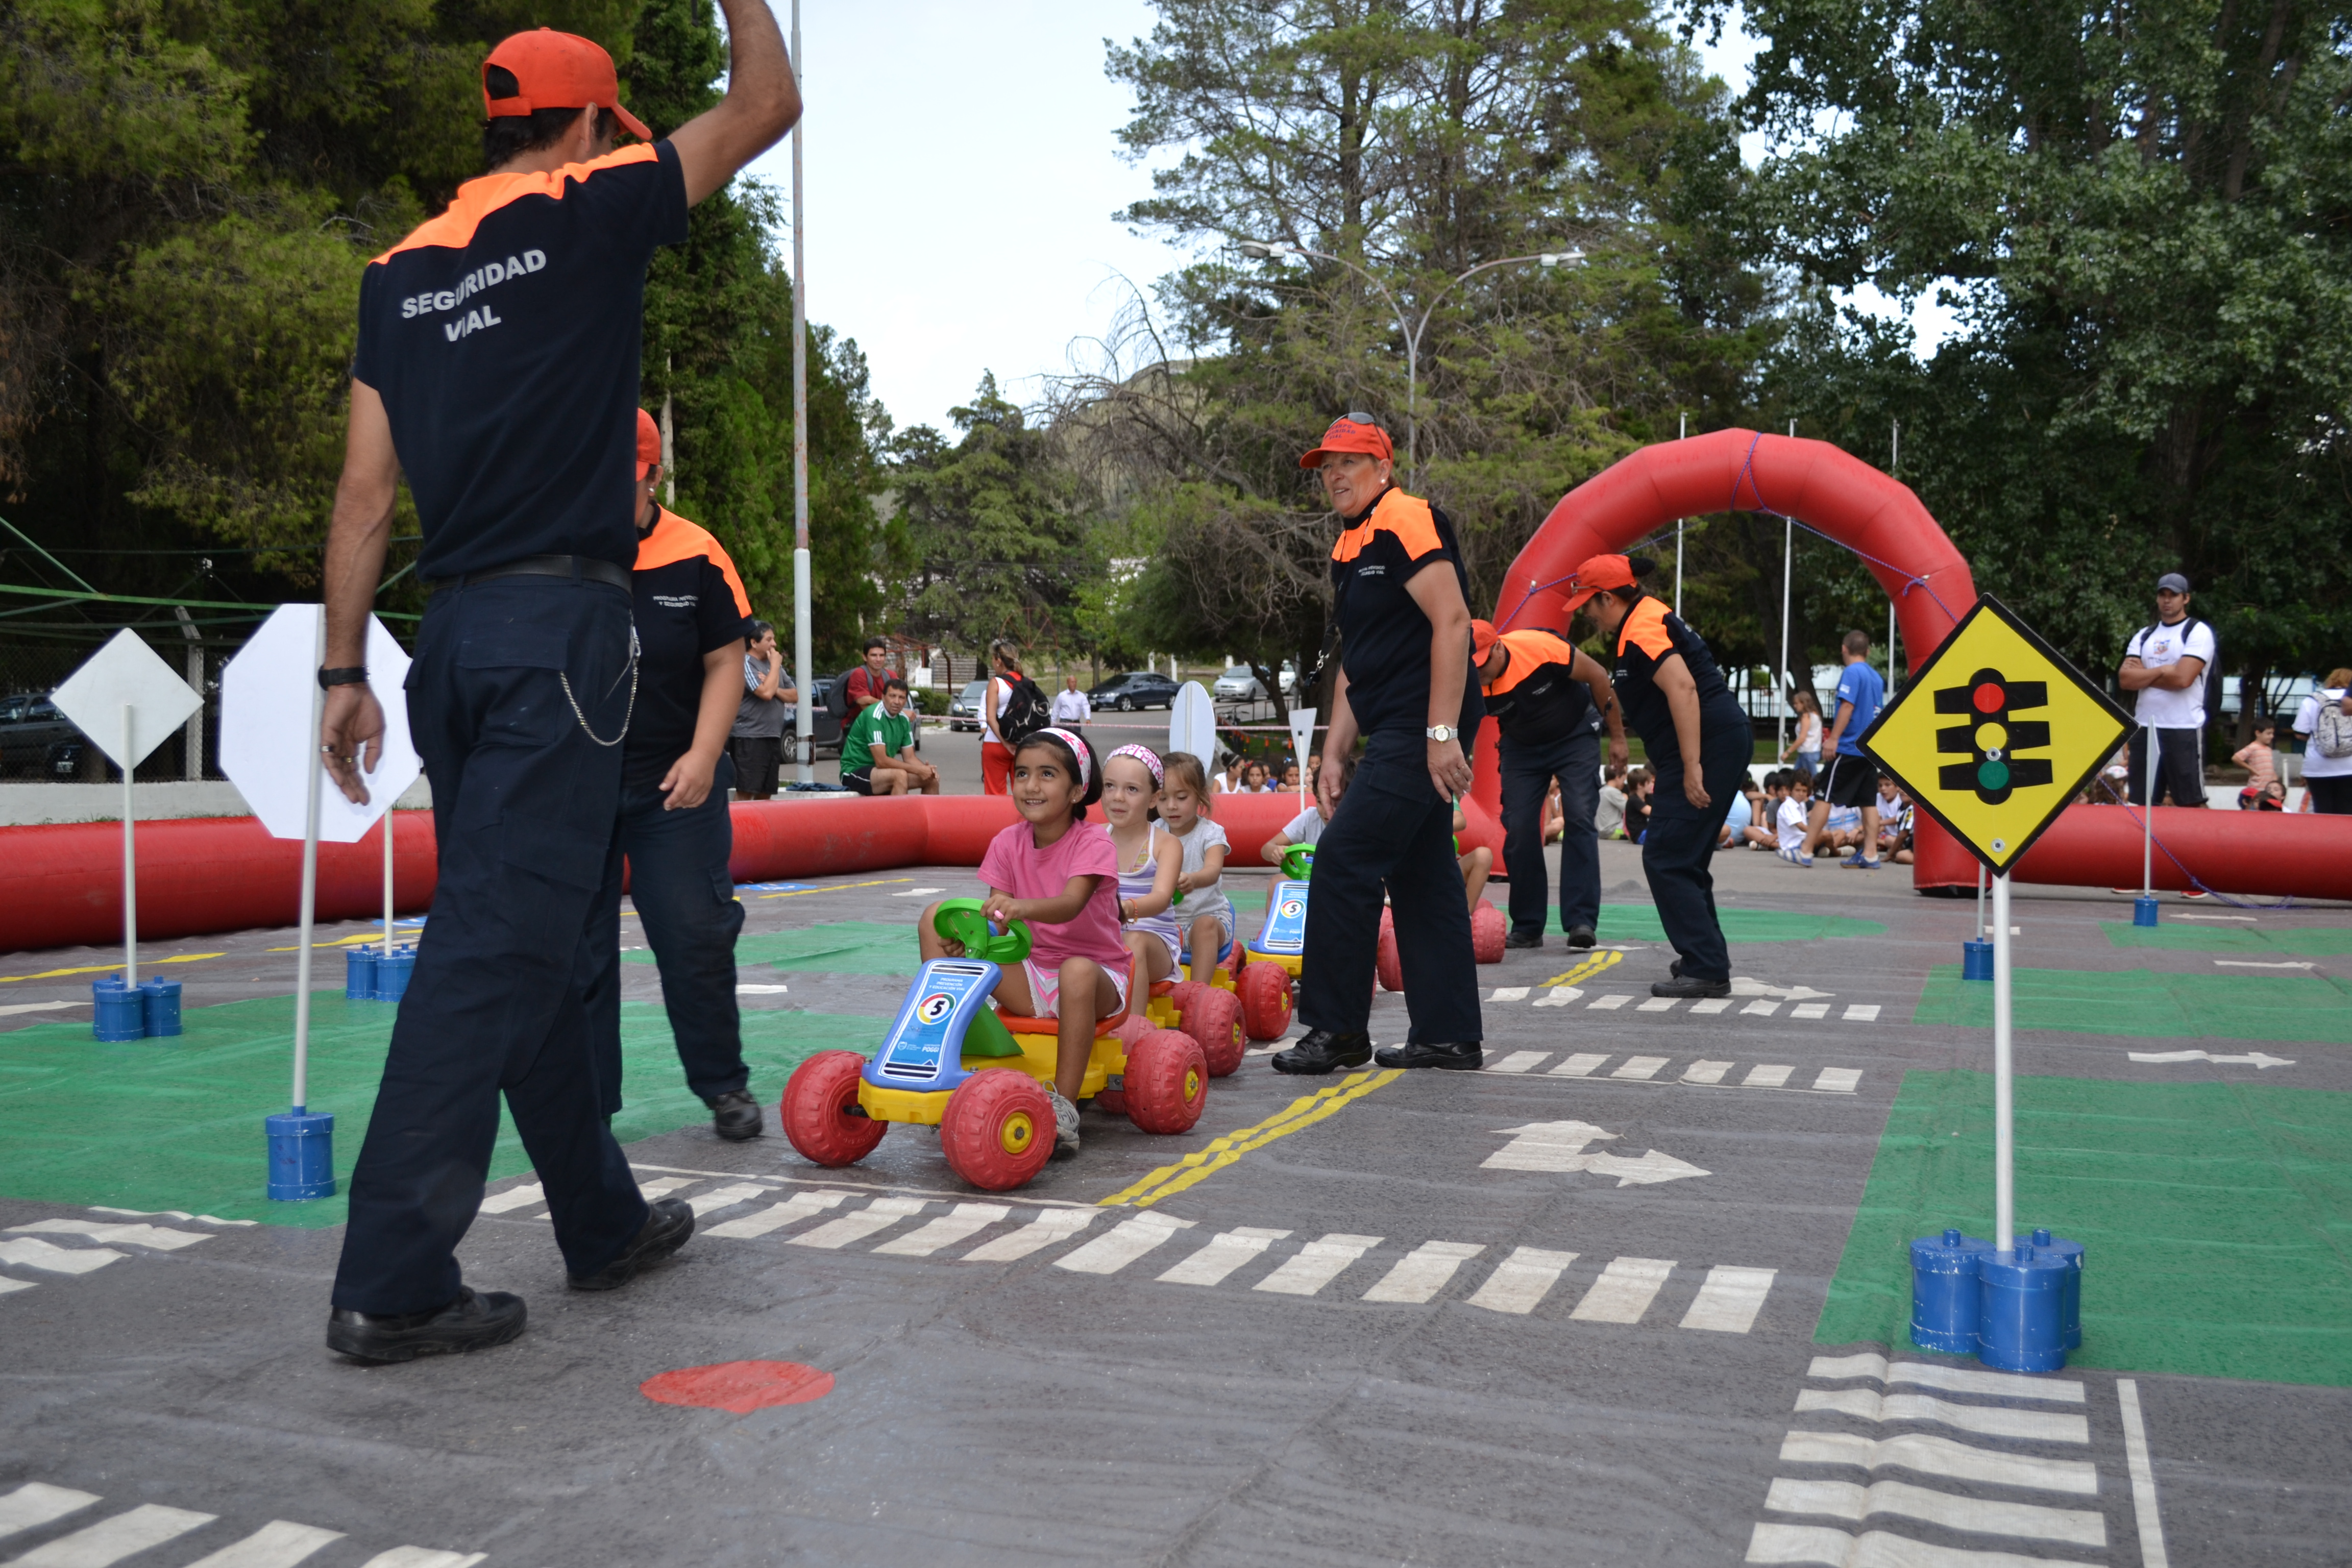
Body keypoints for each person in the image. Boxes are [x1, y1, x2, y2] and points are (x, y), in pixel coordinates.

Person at [312, 9, 799, 1362]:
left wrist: (344, 669)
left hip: (449, 644)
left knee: (524, 937)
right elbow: (764, 105)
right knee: (493, 951)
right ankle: (395, 1275)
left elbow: (365, 494)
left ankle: (598, 1218)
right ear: (588, 129)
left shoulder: (396, 273)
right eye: (616, 133)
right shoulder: (589, 208)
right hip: (555, 643)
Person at [1271, 414, 1483, 1075]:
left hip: (1425, 719)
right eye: (1325, 465)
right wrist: (1334, 752)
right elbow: (1358, 662)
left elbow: (1452, 622)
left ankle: (1338, 1031)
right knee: (1422, 874)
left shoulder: (1403, 517)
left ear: (1383, 469)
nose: (1334, 474)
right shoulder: (1351, 543)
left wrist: (1442, 734)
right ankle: (1447, 1035)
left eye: (1349, 462)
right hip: (1393, 719)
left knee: (1344, 857)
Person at [577, 408, 763, 1146]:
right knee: (578, 947)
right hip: (578, 783)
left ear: (653, 474)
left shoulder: (697, 552)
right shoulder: (560, 546)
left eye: (624, 479)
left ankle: (724, 1084)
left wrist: (702, 754)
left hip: (673, 781)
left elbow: (726, 661)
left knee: (696, 934)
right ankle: (588, 1104)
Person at [919, 728, 1125, 1159]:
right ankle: (941, 1063)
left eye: (1047, 774)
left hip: (1096, 976)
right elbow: (997, 925)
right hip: (1030, 975)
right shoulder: (1006, 842)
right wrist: (969, 944)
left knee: (1076, 970)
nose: (1031, 785)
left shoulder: (1094, 841)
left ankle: (1065, 1106)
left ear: (1077, 790)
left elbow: (1071, 904)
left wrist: (1019, 908)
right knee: (932, 920)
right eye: (1022, 773)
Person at [1563, 554, 1749, 998]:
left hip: (1711, 746)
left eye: (1589, 604)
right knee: (1682, 857)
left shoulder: (1644, 627)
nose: (1587, 614)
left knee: (1666, 855)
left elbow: (1683, 688)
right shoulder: (1643, 619)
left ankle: (1706, 965)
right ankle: (1705, 957)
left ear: (1608, 598)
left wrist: (1691, 766)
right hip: (1712, 743)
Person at [1471, 617, 1627, 951]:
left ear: (1498, 646)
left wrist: (1618, 737)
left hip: (1574, 734)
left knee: (1580, 814)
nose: (1479, 673)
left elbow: (1599, 675)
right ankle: (1528, 926)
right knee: (1519, 826)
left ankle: (1581, 921)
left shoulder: (1539, 648)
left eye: (1484, 663)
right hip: (1521, 744)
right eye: (1473, 667)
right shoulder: (1465, 678)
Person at [2118, 572, 2214, 809]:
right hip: (2146, 727)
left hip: (2183, 727)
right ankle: (2145, 847)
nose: (2167, 600)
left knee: (2190, 802)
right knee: (2143, 802)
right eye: (2163, 595)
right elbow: (2126, 680)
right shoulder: (2145, 635)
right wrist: (2163, 671)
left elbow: (2183, 679)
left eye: (2174, 595)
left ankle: (2192, 846)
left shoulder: (2197, 632)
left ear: (2186, 599)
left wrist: (2146, 673)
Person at [1803, 631, 1888, 868]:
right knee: (1868, 802)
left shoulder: (1852, 672)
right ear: (1868, 652)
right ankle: (1870, 854)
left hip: (1850, 746)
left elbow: (1848, 706)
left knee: (1824, 794)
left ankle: (1806, 849)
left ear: (1844, 649)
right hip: (1868, 748)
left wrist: (1834, 739)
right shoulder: (1876, 677)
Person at [1102, 744, 1184, 990]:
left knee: (1133, 942)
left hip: (1155, 943)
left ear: (1153, 799)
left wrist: (1127, 908)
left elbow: (1161, 897)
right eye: (1110, 786)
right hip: (1107, 938)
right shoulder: (1094, 839)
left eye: (1131, 789)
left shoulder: (1165, 844)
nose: (1118, 796)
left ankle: (1135, 1024)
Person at [1157, 751, 1234, 983]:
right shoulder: (1152, 833)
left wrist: (1193, 879)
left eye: (1181, 798)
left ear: (1200, 795)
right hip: (1164, 924)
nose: (1172, 806)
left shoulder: (1210, 833)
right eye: (1163, 798)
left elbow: (1213, 870)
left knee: (1206, 927)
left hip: (1205, 916)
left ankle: (1200, 993)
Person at [842, 676, 938, 795]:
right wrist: (918, 770)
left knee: (931, 779)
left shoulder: (903, 720)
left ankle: (927, 814)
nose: (897, 702)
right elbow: (881, 761)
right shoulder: (874, 716)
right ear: (883, 697)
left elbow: (910, 758)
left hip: (882, 773)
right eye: (892, 696)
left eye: (902, 698)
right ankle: (898, 814)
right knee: (899, 775)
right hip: (855, 771)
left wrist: (926, 770)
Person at [731, 621, 791, 799]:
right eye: (769, 639)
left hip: (772, 735)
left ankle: (761, 828)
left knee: (766, 792)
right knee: (746, 790)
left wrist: (775, 688)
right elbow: (764, 693)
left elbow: (795, 695)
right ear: (754, 643)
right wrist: (774, 668)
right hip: (750, 737)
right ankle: (740, 827)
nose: (774, 644)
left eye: (774, 639)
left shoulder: (777, 668)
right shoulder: (746, 664)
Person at [1263, 754, 1354, 862]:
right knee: (1277, 879)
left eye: (1334, 802)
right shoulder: (1311, 817)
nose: (1326, 810)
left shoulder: (1363, 823)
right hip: (1316, 877)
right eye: (1320, 802)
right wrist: (1276, 851)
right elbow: (1266, 848)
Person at [980, 640, 1039, 796]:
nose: (993, 663)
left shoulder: (996, 683)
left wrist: (1005, 743)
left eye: (993, 659)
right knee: (1023, 793)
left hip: (996, 743)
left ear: (999, 661)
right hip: (1023, 744)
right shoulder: (1028, 683)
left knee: (995, 794)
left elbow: (991, 719)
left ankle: (998, 822)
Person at [2291, 668, 2352, 814]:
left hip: (2318, 766)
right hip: (2349, 766)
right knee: (2347, 811)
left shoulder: (2312, 700)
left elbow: (2300, 733)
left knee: (2322, 811)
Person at [842, 636, 891, 718]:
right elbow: (863, 701)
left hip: (883, 723)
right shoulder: (859, 674)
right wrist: (888, 704)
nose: (878, 659)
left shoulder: (891, 675)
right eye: (874, 655)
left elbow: (899, 698)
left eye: (882, 655)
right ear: (865, 657)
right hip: (857, 725)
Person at [2234, 720, 2278, 806]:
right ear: (2258, 733)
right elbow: (2236, 758)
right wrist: (2251, 769)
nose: (2272, 736)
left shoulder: (2269, 750)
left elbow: (2270, 766)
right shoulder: (2253, 747)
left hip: (2267, 789)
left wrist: (2275, 778)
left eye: (2272, 734)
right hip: (2256, 788)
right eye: (2268, 734)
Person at [1781, 690, 1823, 780]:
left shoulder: (1806, 717)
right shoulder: (1815, 715)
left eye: (1797, 703)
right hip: (1811, 751)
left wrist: (1788, 752)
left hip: (1807, 752)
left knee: (1811, 779)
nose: (1795, 706)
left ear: (1803, 703)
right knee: (1797, 777)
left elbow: (1802, 738)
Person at [1776, 772, 1814, 866]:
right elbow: (1801, 826)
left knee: (1839, 833)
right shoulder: (1788, 805)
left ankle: (1837, 851)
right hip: (1793, 844)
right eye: (1798, 790)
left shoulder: (1802, 805)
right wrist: (1816, 833)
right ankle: (1796, 854)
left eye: (1804, 791)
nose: (1801, 794)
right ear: (1791, 790)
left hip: (1803, 839)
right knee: (1825, 835)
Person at [1050, 673, 1092, 740]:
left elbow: (1086, 707)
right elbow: (1056, 710)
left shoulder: (1081, 696)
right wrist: (1053, 724)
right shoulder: (1062, 696)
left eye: (1075, 682)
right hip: (1065, 723)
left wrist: (1088, 718)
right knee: (1065, 741)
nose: (1074, 684)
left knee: (1077, 741)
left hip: (1076, 723)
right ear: (1068, 683)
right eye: (1072, 682)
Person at [1595, 763, 1629, 838]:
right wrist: (1626, 799)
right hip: (1611, 831)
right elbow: (1628, 810)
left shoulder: (1602, 790)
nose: (1623, 783)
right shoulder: (1614, 792)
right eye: (1623, 779)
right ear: (1618, 778)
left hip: (1599, 830)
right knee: (1634, 829)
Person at [1621, 766, 1653, 842]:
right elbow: (1652, 812)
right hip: (1640, 835)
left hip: (1649, 830)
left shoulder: (1649, 797)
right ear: (1640, 785)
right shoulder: (1634, 800)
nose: (1652, 785)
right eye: (1649, 782)